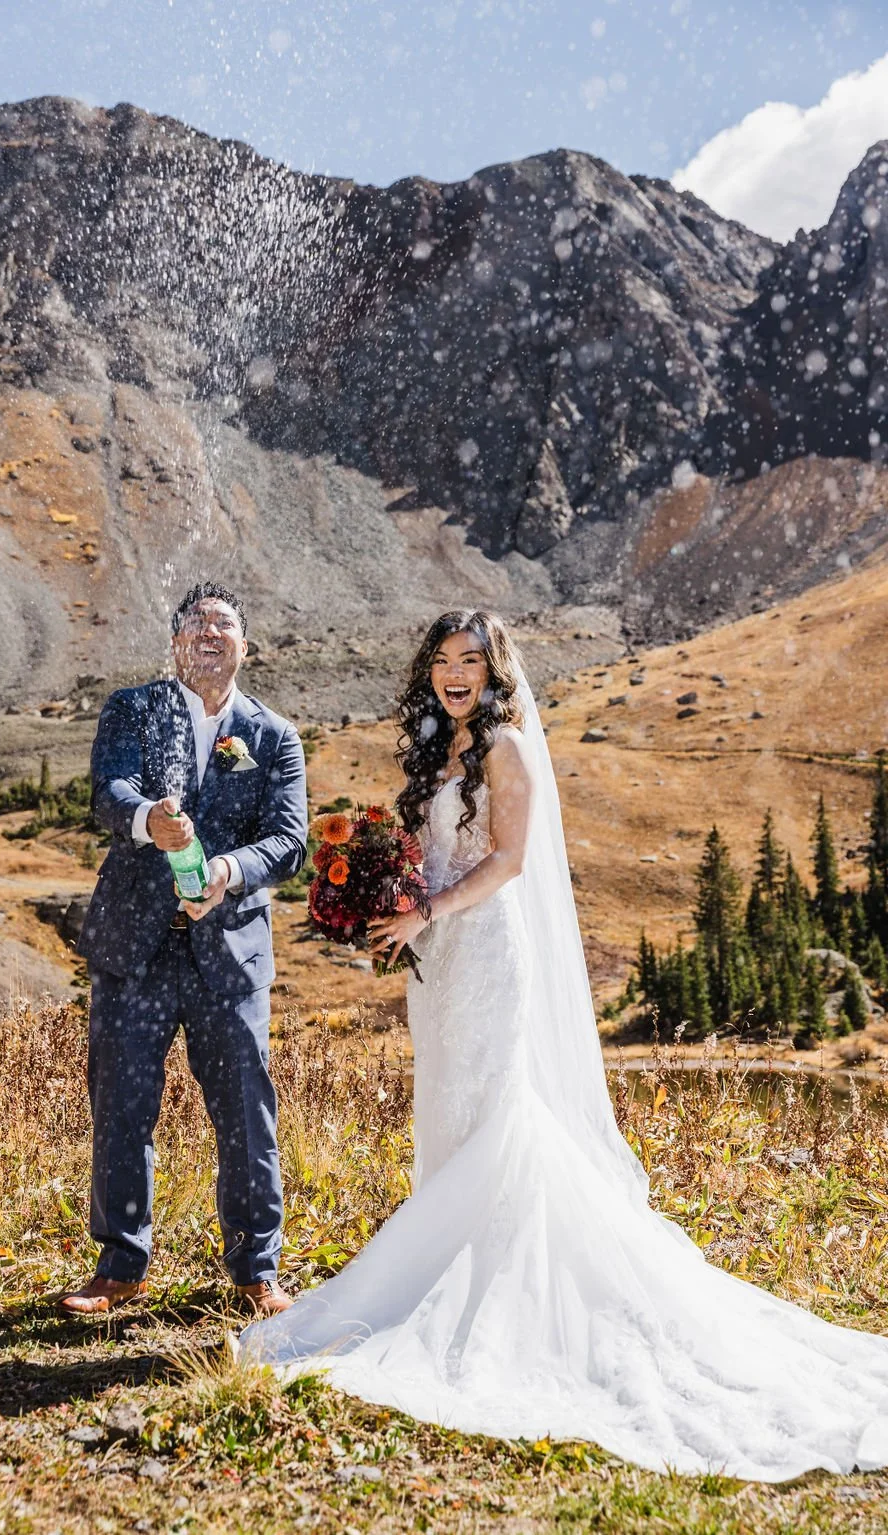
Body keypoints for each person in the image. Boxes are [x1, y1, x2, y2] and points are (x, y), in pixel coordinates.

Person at [242, 609, 888, 1480]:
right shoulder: (438, 744)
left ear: (494, 668)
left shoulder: (505, 746)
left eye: (470, 659)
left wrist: (426, 909)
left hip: (487, 950)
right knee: (451, 1108)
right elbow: (428, 856)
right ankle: (446, 1267)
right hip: (439, 954)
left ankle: (489, 1288)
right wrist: (381, 904)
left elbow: (507, 861)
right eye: (442, 660)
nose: (454, 673)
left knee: (500, 1113)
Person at [60, 582, 307, 1317]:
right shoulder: (131, 709)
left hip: (229, 958)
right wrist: (147, 820)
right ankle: (120, 1266)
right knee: (124, 1104)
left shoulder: (272, 735)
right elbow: (108, 792)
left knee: (245, 1110)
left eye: (224, 622)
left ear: (244, 644)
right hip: (136, 950)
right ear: (173, 642)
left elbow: (290, 841)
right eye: (195, 621)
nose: (209, 630)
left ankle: (256, 1268)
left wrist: (228, 871)